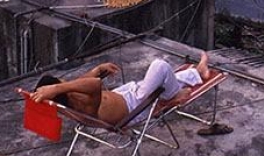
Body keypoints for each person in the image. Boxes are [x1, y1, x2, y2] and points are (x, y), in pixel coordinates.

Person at [30, 53, 211, 125]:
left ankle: (197, 71)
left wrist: (97, 70)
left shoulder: (71, 99)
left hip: (127, 94)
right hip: (137, 106)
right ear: (62, 91)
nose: (67, 82)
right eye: (62, 83)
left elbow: (81, 82)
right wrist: (55, 87)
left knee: (156, 81)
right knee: (160, 66)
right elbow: (94, 85)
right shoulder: (83, 109)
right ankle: (172, 96)